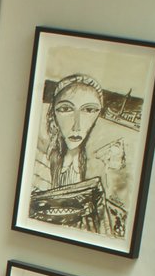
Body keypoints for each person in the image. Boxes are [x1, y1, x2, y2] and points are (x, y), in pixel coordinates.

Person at [28, 73, 130, 240]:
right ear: (53, 114)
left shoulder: (103, 168)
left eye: (89, 110)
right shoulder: (37, 165)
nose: (77, 125)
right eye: (66, 109)